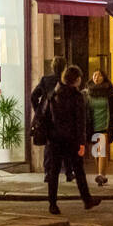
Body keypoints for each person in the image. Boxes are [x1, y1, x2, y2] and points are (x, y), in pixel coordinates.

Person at [43, 65, 101, 214]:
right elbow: (80, 122)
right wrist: (82, 143)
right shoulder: (77, 97)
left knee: (53, 172)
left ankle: (52, 204)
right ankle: (87, 200)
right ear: (76, 80)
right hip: (71, 139)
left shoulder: (54, 94)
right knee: (79, 170)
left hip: (55, 139)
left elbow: (47, 117)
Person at [85, 69, 113, 186]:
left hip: (105, 125)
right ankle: (102, 174)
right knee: (96, 152)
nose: (96, 77)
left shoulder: (109, 92)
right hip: (92, 126)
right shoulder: (88, 92)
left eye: (99, 75)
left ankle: (101, 175)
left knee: (101, 149)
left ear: (104, 77)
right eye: (94, 75)